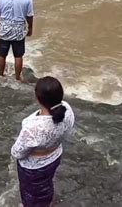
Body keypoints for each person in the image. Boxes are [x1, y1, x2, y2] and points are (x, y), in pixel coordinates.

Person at [11, 76, 75, 207]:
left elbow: (17, 153)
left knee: (31, 195)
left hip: (34, 168)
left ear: (38, 98)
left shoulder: (32, 127)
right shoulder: (67, 110)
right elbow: (67, 129)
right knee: (45, 185)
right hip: (55, 156)